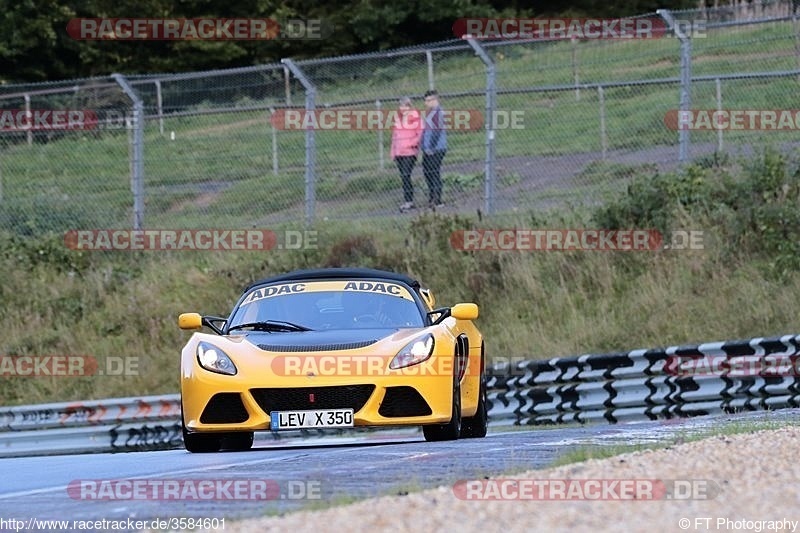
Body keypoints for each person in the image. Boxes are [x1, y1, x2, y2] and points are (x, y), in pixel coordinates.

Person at [390, 96, 423, 212]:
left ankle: (409, 201)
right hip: (399, 152)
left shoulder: (415, 118)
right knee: (403, 177)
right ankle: (407, 201)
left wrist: (410, 144)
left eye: (404, 106)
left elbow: (420, 134)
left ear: (409, 106)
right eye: (401, 106)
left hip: (409, 152)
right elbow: (394, 136)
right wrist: (393, 152)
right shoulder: (398, 119)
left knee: (406, 174)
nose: (402, 108)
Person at [421, 89, 447, 208]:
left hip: (436, 149)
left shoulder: (438, 113)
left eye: (429, 100)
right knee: (428, 172)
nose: (426, 103)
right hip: (428, 149)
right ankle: (432, 196)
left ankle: (437, 199)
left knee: (434, 172)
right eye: (425, 101)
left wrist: (430, 147)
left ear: (435, 100)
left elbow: (436, 132)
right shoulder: (430, 113)